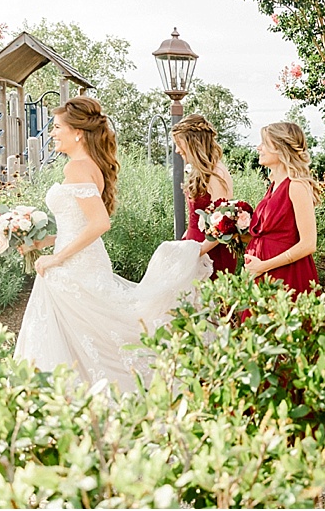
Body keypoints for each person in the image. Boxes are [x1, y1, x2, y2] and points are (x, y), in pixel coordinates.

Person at [14, 97, 209, 393]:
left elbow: (99, 223)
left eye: (56, 127)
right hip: (81, 259)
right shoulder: (89, 165)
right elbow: (79, 225)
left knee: (92, 336)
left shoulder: (77, 167)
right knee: (87, 336)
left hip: (74, 266)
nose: (51, 133)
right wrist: (44, 242)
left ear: (77, 132)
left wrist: (55, 259)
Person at [243, 122, 319, 293]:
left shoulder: (296, 186)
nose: (258, 148)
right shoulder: (273, 185)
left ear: (280, 148)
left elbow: (309, 244)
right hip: (262, 273)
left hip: (286, 275)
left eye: (264, 143)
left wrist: (263, 266)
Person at [172, 114, 237, 278]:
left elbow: (223, 223)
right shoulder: (201, 172)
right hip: (194, 243)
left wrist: (197, 252)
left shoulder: (216, 174)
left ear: (193, 143)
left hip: (211, 251)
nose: (177, 150)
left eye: (179, 144)